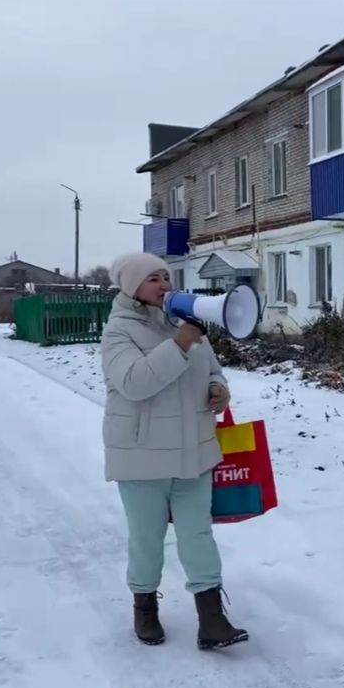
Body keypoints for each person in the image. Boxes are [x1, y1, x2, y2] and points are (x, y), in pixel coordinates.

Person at [101, 252, 248, 649]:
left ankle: (212, 619)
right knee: (147, 539)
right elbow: (135, 382)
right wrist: (181, 343)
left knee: (198, 535)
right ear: (132, 287)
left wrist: (219, 389)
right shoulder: (119, 331)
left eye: (166, 276)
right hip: (142, 456)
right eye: (153, 278)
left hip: (194, 451)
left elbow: (212, 369)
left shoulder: (186, 324)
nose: (164, 284)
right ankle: (145, 608)